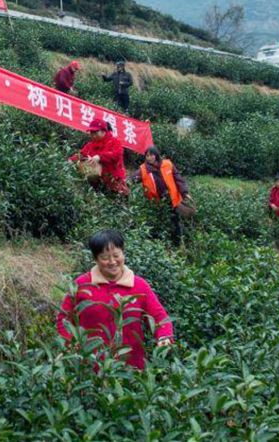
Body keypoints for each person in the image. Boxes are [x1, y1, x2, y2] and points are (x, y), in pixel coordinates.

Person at [56, 229, 173, 370]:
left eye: (116, 255)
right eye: (105, 257)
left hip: (132, 368)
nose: (112, 262)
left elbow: (159, 317)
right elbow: (64, 318)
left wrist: (164, 337)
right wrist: (70, 344)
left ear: (123, 253)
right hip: (90, 369)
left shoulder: (139, 286)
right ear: (95, 259)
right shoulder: (82, 284)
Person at [138, 146, 192, 245]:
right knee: (159, 223)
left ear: (156, 155)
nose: (149, 157)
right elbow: (133, 178)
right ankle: (161, 244)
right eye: (147, 155)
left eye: (151, 155)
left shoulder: (167, 164)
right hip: (156, 202)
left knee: (175, 221)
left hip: (172, 199)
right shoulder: (143, 169)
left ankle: (179, 243)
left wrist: (185, 192)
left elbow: (178, 178)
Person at [69, 118, 129, 196]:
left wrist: (100, 157)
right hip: (97, 183)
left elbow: (116, 155)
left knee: (118, 202)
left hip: (114, 183)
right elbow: (81, 154)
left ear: (103, 131)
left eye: (95, 132)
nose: (93, 135)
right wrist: (71, 160)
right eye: (91, 132)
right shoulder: (90, 145)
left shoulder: (114, 142)